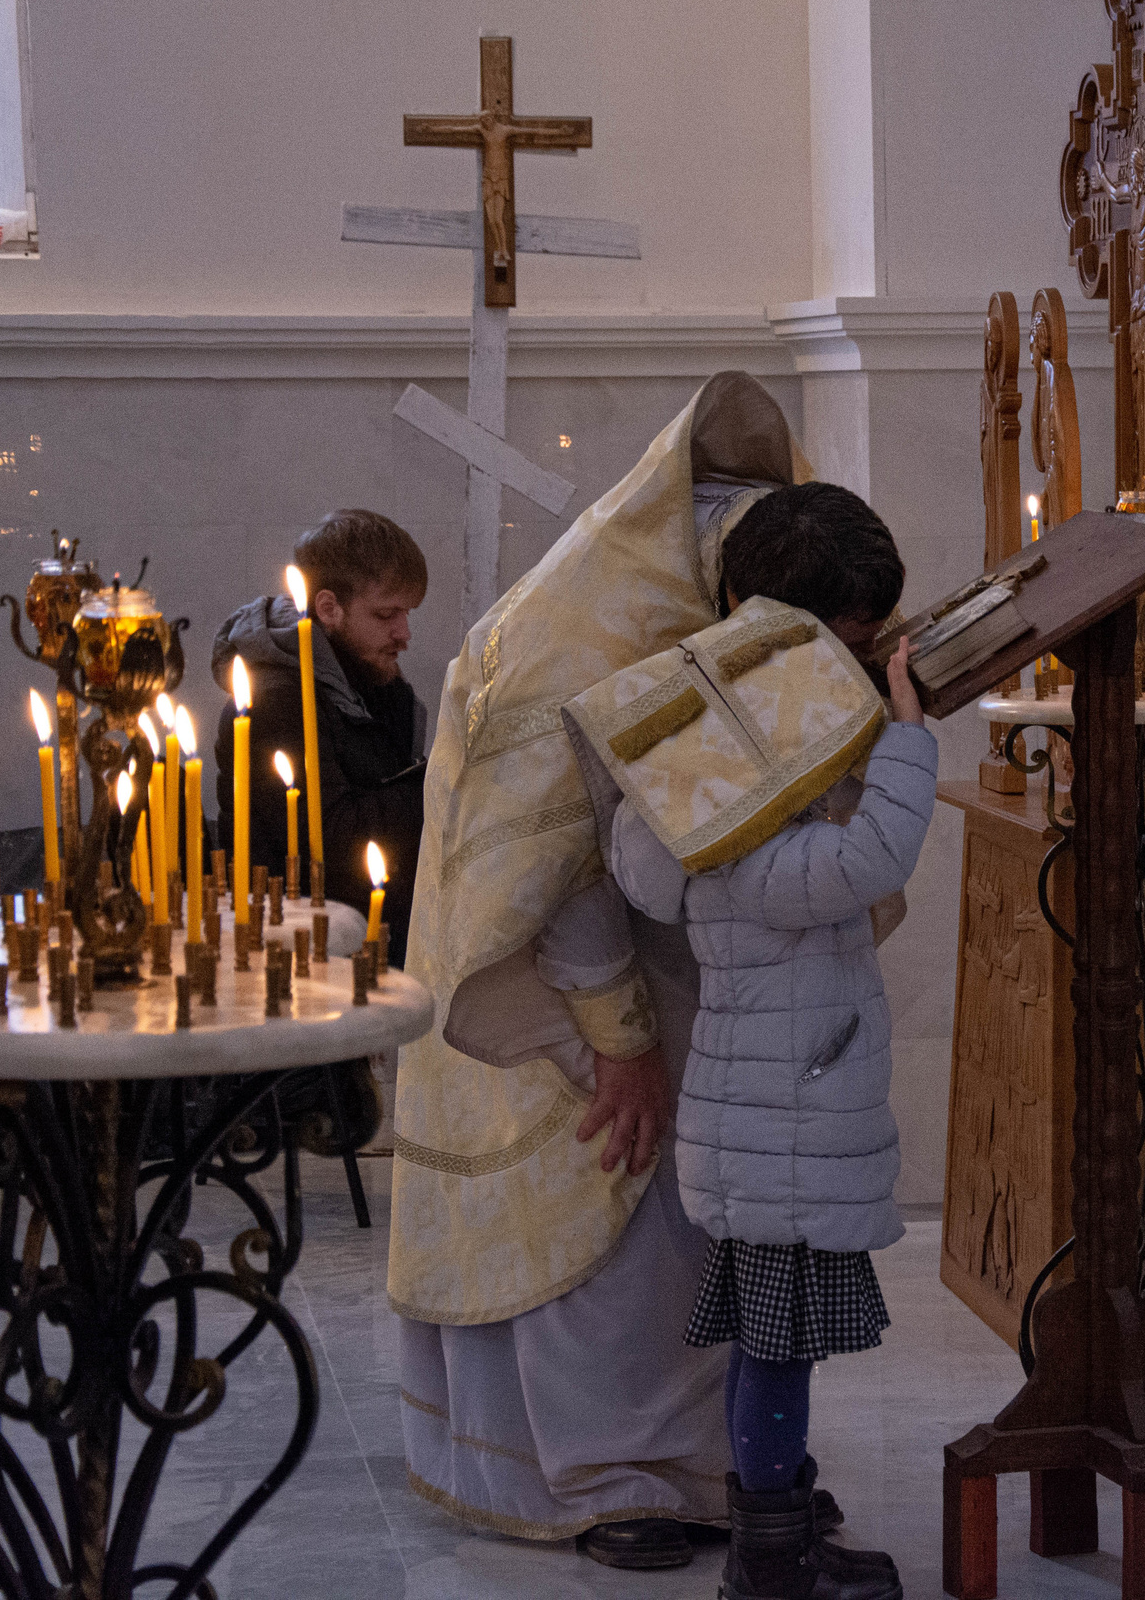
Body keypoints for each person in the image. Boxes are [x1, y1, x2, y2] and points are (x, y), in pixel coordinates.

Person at [395, 373, 900, 1572]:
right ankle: (597, 1474)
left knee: (693, 1226)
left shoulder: (766, 559)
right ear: (755, 605)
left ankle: (716, 1470)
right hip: (564, 976)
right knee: (605, 1205)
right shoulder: (593, 643)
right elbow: (553, 870)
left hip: (691, 955)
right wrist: (614, 1041)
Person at [557, 486, 928, 1600]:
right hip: (783, 1115)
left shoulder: (706, 773)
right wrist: (907, 740)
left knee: (779, 1342)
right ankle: (768, 1555)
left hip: (776, 1105)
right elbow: (861, 869)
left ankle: (778, 1527)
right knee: (773, 1348)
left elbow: (644, 864)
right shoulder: (738, 814)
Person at [210, 509, 429, 964]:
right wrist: (443, 781)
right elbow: (330, 847)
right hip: (303, 957)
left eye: (407, 614)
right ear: (329, 609)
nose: (404, 633)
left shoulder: (371, 678)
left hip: (368, 938)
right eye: (387, 614)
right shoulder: (274, 703)